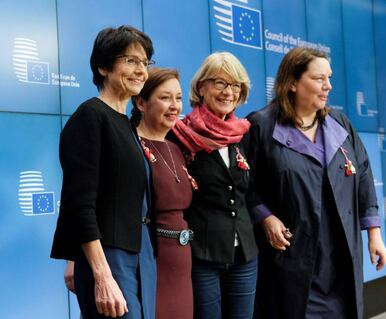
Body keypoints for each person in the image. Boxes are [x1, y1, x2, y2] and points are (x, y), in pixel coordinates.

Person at [247, 47, 386, 319]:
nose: (328, 86)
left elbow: (364, 176)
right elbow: (245, 184)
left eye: (329, 78)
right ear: (292, 83)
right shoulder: (262, 126)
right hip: (292, 256)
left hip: (339, 255)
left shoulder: (340, 124)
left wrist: (374, 233)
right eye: (319, 79)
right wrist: (265, 218)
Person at [51, 25, 157, 319]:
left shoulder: (125, 123)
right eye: (131, 60)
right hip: (110, 258)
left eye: (145, 62)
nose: (140, 70)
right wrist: (102, 275)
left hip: (139, 254)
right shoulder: (90, 117)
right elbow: (79, 204)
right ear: (103, 66)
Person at [172, 51, 258, 319]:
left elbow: (250, 192)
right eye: (220, 83)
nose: (228, 92)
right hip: (202, 255)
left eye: (235, 85)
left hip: (244, 254)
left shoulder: (243, 134)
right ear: (201, 87)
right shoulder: (181, 134)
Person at [130, 67, 194, 319]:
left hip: (182, 263)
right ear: (141, 103)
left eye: (178, 98)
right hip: (148, 262)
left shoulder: (176, 149)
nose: (174, 106)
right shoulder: (131, 145)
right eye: (165, 98)